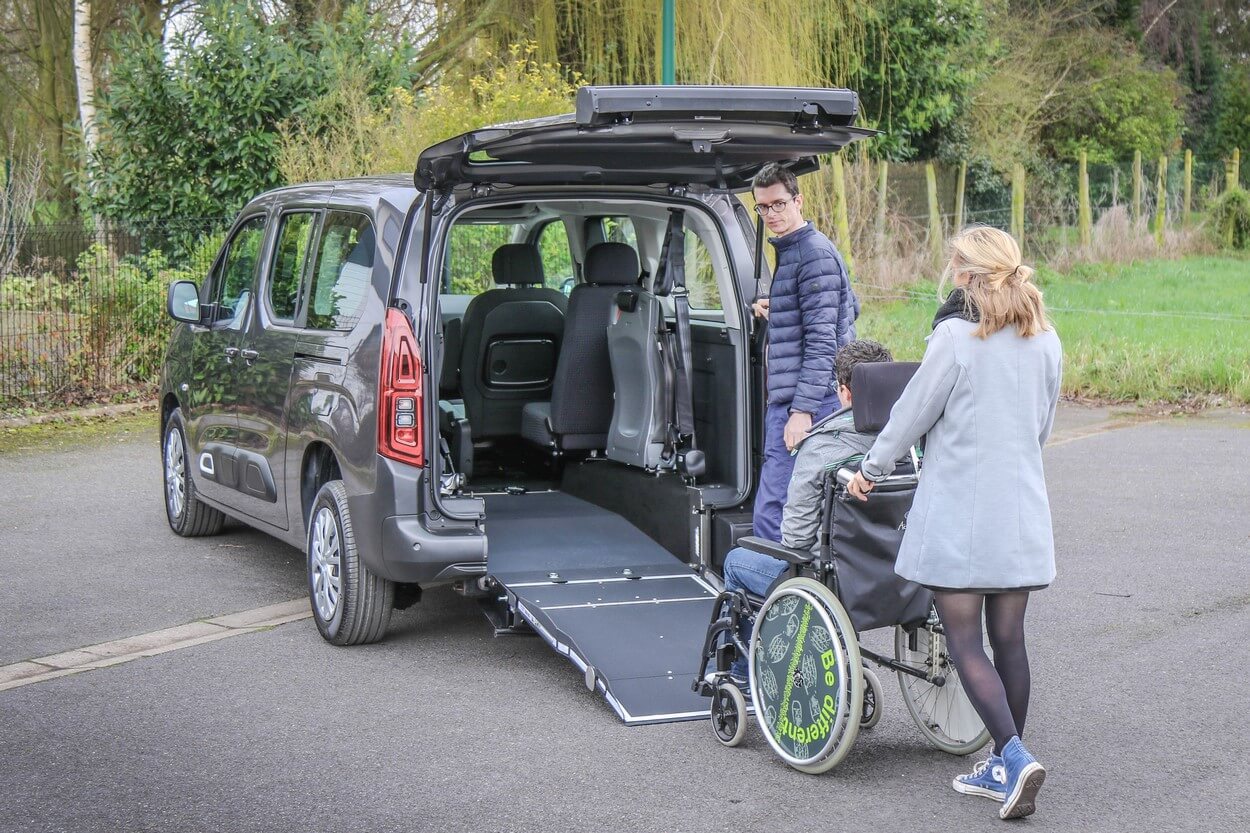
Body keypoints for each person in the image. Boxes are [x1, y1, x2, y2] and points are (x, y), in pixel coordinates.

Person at [847, 226, 1062, 821]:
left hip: (960, 517)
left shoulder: (954, 337)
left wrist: (869, 469)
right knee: (1011, 640)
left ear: (965, 274)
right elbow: (1040, 430)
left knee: (965, 641)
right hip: (1020, 511)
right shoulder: (1044, 338)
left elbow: (911, 415)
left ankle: (1013, 759)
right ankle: (1003, 760)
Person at [719, 339, 893, 683]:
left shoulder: (823, 446)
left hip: (830, 580)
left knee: (736, 562)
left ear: (844, 392)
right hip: (894, 577)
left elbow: (796, 538)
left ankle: (739, 674)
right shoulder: (910, 445)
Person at [749, 162, 859, 543]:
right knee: (789, 503)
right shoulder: (797, 251)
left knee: (778, 507)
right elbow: (848, 308)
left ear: (798, 200)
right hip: (803, 397)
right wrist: (778, 308)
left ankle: (770, 593)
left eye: (779, 204)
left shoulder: (812, 254)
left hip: (808, 401)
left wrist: (802, 412)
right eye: (763, 208)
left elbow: (824, 341)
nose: (771, 214)